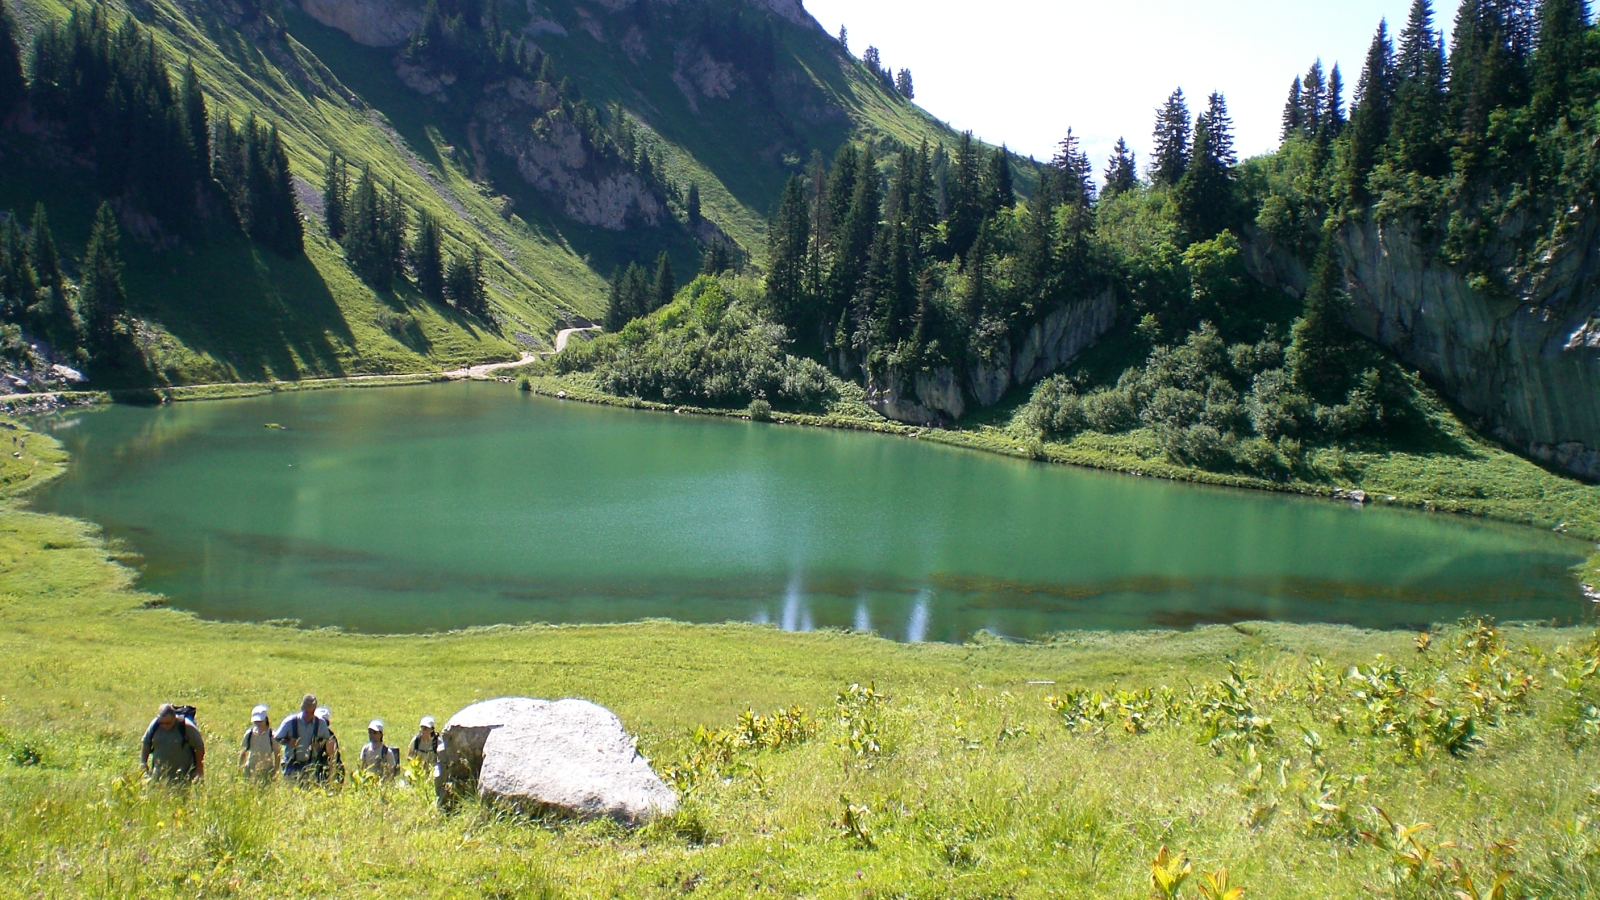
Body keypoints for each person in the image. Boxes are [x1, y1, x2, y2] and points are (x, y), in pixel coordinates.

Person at [140, 703, 205, 782]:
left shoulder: (186, 726)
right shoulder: (155, 725)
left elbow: (199, 747)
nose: (164, 726)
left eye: (168, 723)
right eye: (162, 723)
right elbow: (146, 742)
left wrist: (199, 769)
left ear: (175, 717)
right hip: (159, 776)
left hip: (183, 776)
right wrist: (143, 762)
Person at [274, 693, 330, 781]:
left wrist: (319, 744)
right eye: (306, 712)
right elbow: (277, 737)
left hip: (310, 764)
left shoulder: (320, 723)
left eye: (312, 712)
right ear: (302, 708)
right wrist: (288, 742)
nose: (308, 716)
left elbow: (327, 739)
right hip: (291, 764)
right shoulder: (290, 722)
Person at [239, 708, 276, 781]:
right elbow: (243, 752)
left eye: (260, 721)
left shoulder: (271, 735)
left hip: (266, 771)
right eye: (256, 721)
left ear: (265, 719)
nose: (258, 723)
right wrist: (240, 767)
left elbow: (277, 753)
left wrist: (275, 770)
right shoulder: (249, 734)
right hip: (250, 770)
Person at [314, 707, 345, 785]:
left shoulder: (329, 737)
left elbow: (332, 761)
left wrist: (330, 781)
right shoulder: (316, 735)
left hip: (330, 773)